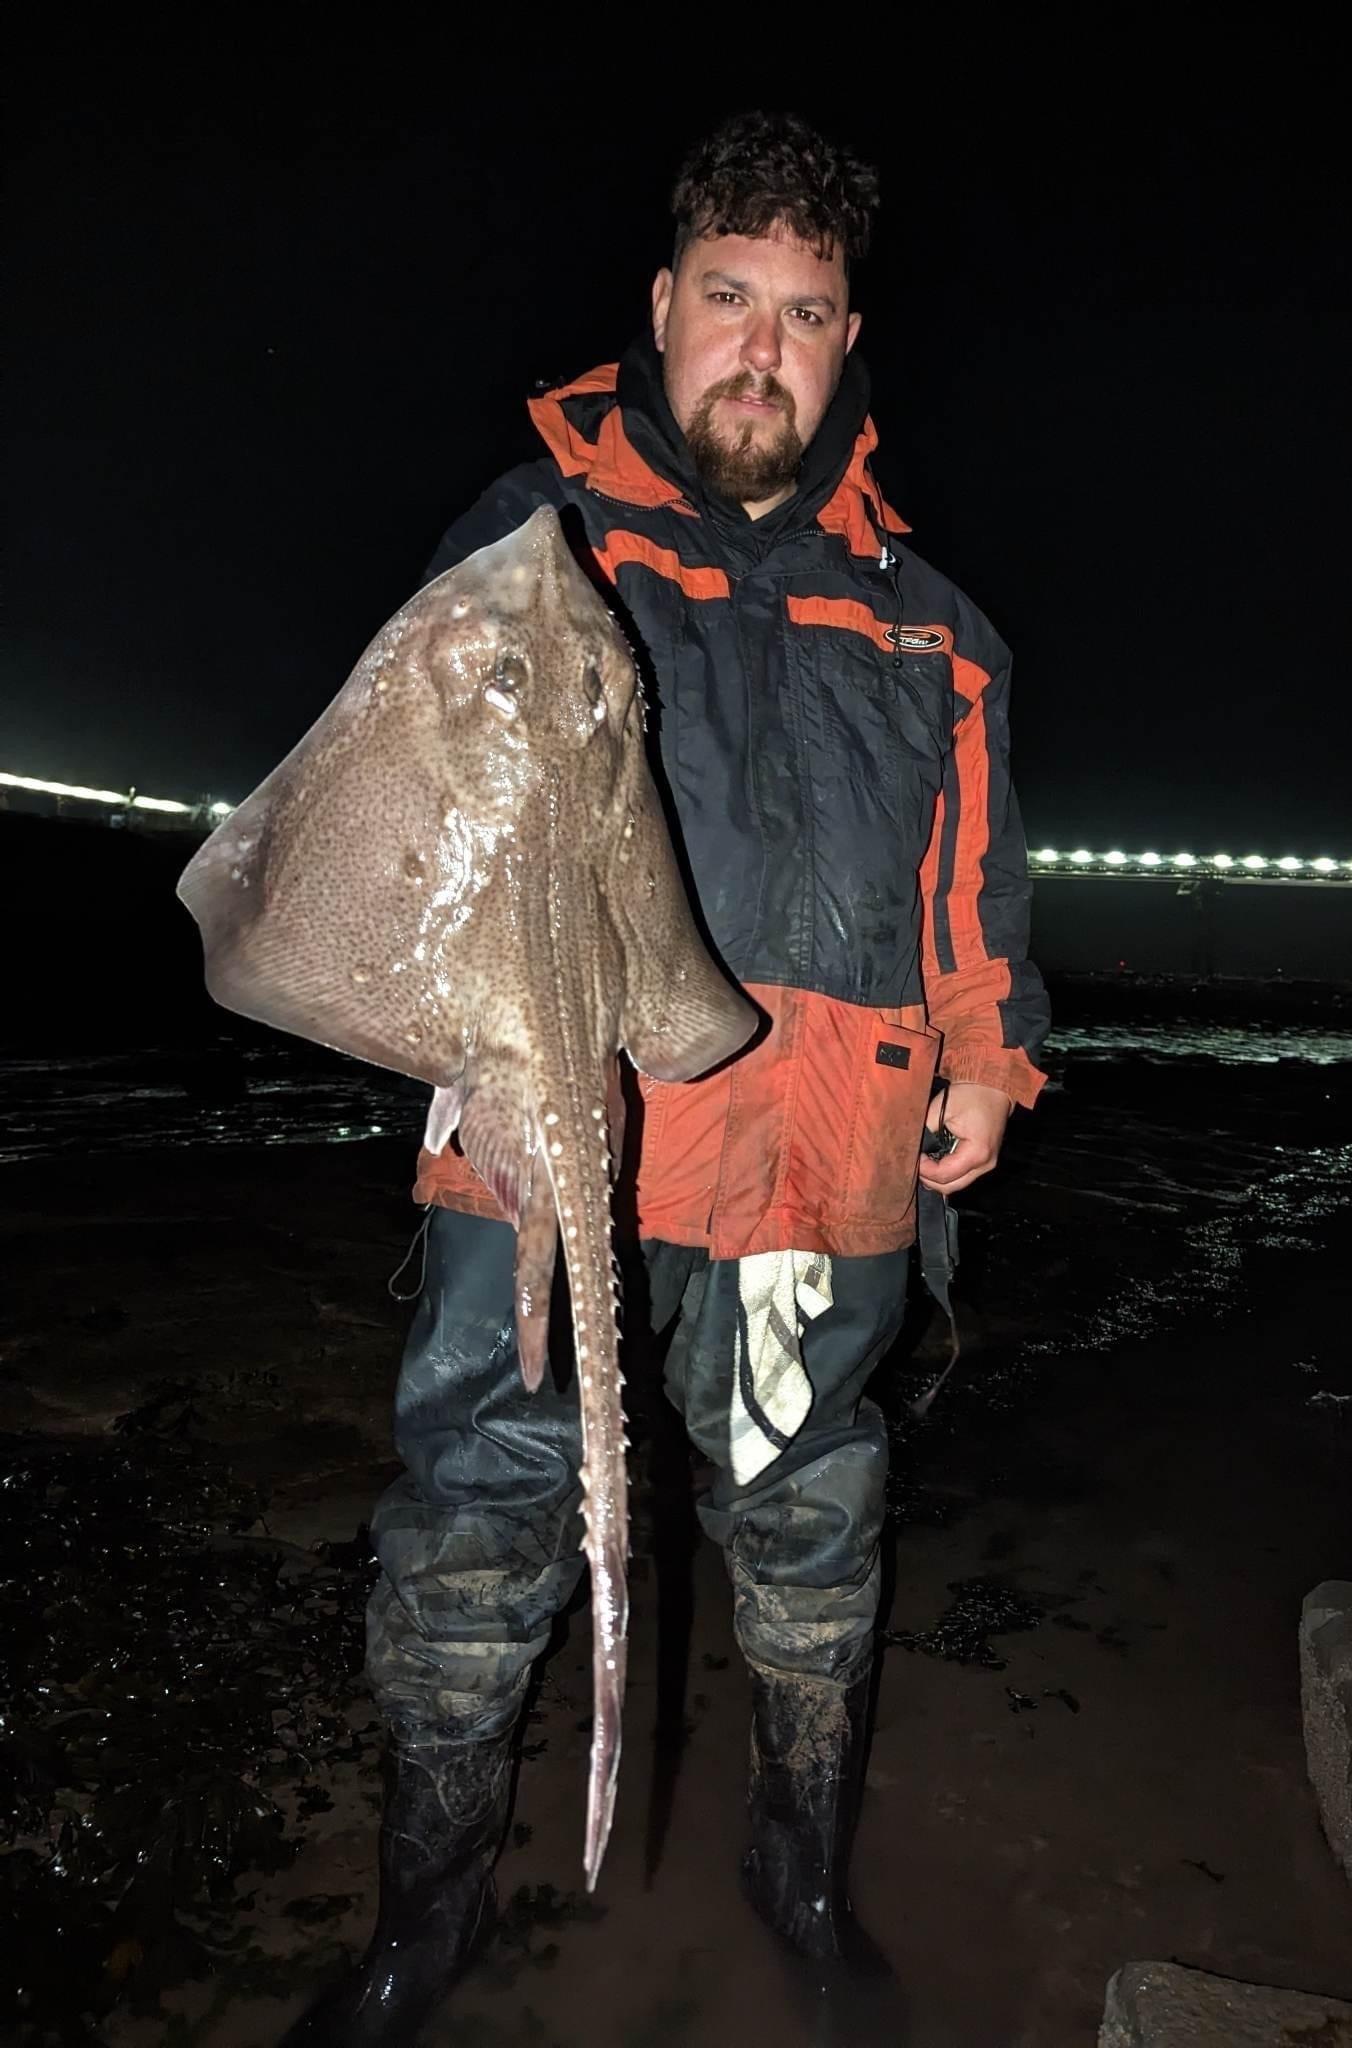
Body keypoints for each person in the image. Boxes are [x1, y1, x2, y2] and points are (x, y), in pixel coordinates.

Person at [287, 108, 1049, 2046]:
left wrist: (989, 1047)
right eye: (729, 301)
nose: (762, 349)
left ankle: (796, 1879)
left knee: (808, 1528)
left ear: (848, 336)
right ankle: (420, 1928)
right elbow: (388, 800)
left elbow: (971, 875)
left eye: (803, 314)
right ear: (662, 305)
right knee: (476, 1519)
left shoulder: (930, 627)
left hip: (822, 1170)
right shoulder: (535, 547)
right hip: (557, 1150)